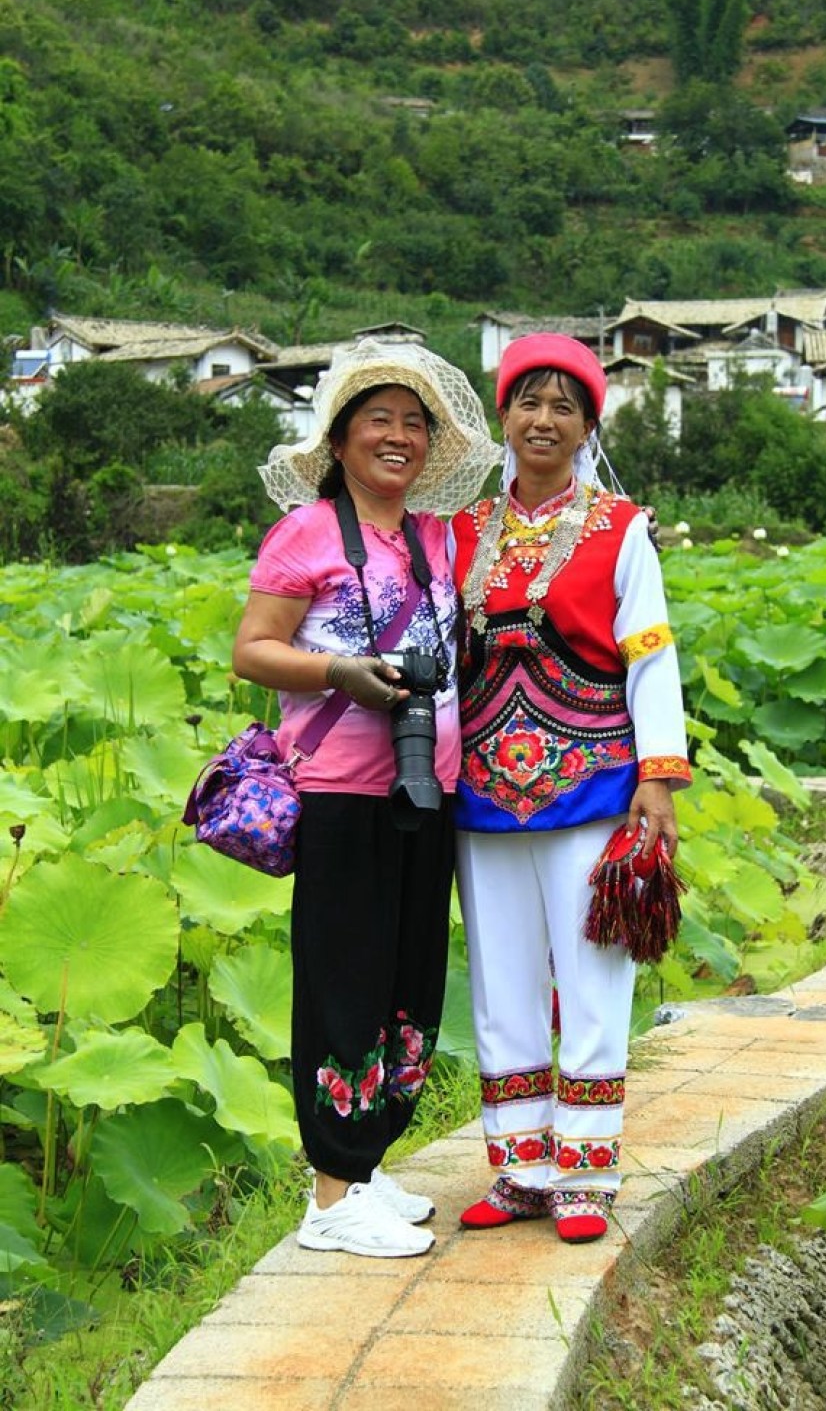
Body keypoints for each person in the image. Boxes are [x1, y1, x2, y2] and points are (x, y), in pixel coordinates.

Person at [232, 338, 501, 1258]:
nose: (399, 436)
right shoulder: (305, 533)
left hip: (429, 786)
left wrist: (625, 529)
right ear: (340, 440)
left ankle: (369, 1162)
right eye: (378, 420)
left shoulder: (434, 537)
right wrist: (341, 671)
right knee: (344, 980)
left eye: (414, 423)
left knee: (409, 979)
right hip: (343, 792)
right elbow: (253, 650)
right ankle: (329, 1198)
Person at [449, 333, 692, 1244]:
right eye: (527, 402)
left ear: (588, 424)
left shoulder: (624, 531)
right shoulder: (463, 533)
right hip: (482, 795)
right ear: (503, 416)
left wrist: (657, 782)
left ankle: (586, 1174)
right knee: (499, 984)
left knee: (593, 981)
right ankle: (518, 1170)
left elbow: (651, 658)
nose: (542, 420)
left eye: (564, 406)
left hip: (593, 784)